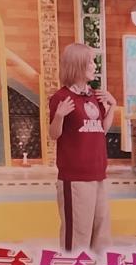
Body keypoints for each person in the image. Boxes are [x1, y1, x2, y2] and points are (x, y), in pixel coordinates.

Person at [48, 43, 117, 252]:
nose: (94, 66)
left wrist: (112, 106)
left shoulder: (95, 95)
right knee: (78, 236)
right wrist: (59, 116)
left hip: (98, 174)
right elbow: (54, 134)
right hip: (75, 178)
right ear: (77, 65)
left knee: (101, 234)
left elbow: (101, 129)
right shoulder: (61, 98)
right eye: (90, 62)